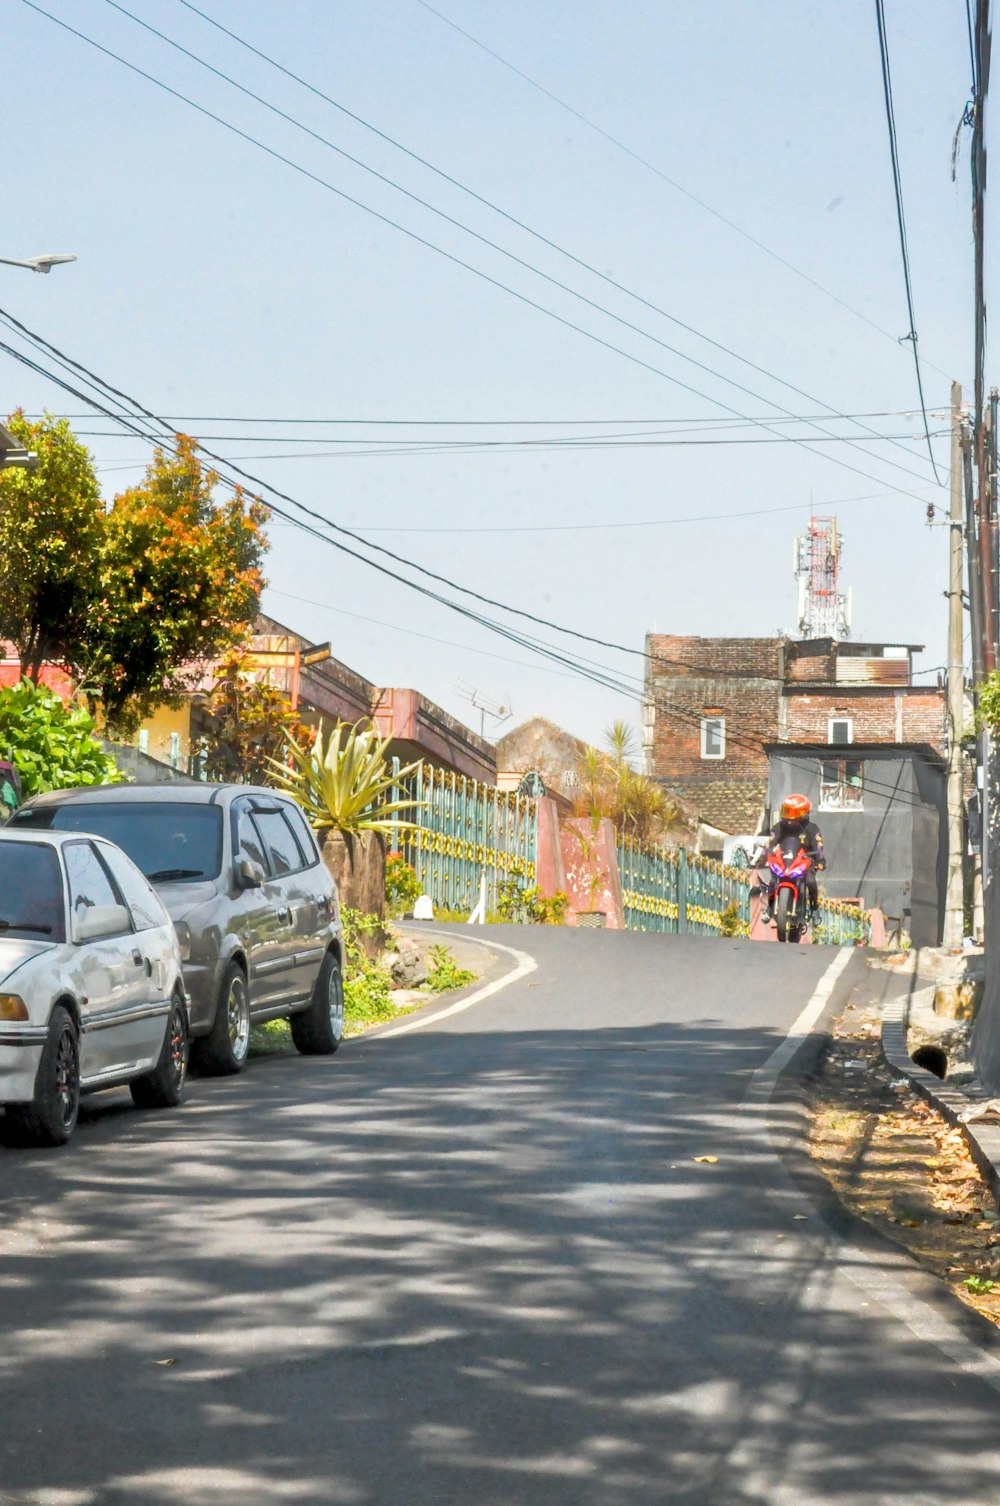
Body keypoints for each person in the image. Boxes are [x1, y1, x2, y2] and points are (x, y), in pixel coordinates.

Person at [759, 794, 825, 923]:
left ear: (802, 813)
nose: (788, 815)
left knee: (811, 882)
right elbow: (770, 841)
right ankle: (770, 908)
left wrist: (820, 860)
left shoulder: (812, 828)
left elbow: (818, 846)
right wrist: (762, 855)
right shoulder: (780, 826)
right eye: (787, 810)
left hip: (805, 861)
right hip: (785, 861)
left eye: (792, 811)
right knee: (773, 881)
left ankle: (814, 909)